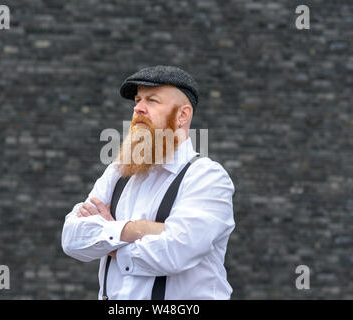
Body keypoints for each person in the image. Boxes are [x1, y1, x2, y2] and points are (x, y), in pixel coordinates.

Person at [61, 65, 236, 300]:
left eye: (152, 101)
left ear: (182, 115)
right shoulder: (118, 172)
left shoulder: (207, 177)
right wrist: (138, 229)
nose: (138, 109)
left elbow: (175, 252)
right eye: (137, 100)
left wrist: (108, 239)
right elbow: (71, 237)